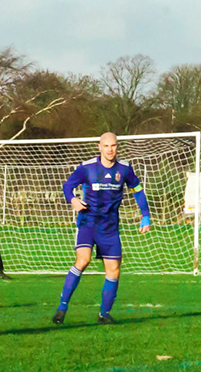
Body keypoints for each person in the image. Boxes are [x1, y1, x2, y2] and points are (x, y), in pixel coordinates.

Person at [52, 133, 151, 325]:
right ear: (99, 146)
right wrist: (72, 199)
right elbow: (67, 186)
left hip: (110, 227)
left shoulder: (124, 169)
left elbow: (137, 190)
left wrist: (145, 214)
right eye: (106, 146)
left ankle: (104, 315)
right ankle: (62, 308)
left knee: (113, 270)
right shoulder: (86, 168)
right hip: (88, 222)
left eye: (113, 145)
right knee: (83, 260)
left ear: (117, 147)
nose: (110, 149)